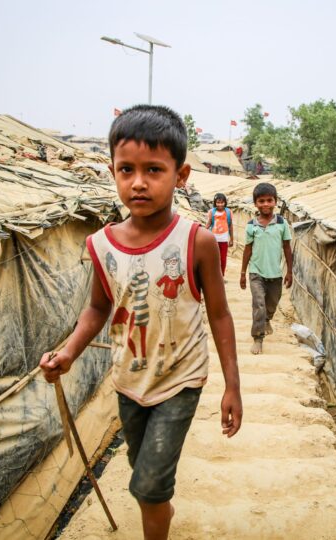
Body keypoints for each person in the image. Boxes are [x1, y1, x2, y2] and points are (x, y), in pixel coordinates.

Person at [39, 105, 242, 540]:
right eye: (126, 169)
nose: (138, 182)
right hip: (128, 380)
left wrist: (232, 386)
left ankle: (155, 517)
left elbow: (220, 314)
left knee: (147, 487)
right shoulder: (101, 245)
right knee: (145, 476)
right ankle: (159, 512)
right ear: (112, 171)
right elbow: (97, 308)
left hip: (180, 379)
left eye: (153, 169)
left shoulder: (197, 242)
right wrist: (69, 352)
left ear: (181, 175)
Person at [239, 182, 293, 355]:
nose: (265, 204)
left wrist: (290, 271)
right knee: (259, 305)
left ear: (275, 201)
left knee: (271, 304)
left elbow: (287, 247)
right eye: (261, 201)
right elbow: (248, 249)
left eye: (269, 200)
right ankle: (258, 338)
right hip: (256, 272)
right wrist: (242, 273)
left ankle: (267, 319)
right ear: (255, 203)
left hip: (275, 273)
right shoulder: (251, 225)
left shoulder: (281, 223)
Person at [205, 193, 234, 276]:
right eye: (218, 202)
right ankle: (213, 276)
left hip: (224, 240)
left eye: (222, 202)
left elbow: (231, 226)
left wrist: (231, 239)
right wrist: (202, 232)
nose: (220, 204)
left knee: (223, 259)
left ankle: (221, 276)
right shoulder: (212, 212)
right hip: (213, 239)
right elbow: (209, 223)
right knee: (213, 259)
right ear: (215, 203)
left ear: (225, 203)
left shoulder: (228, 212)